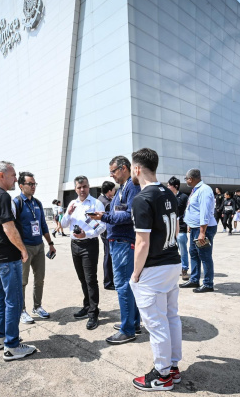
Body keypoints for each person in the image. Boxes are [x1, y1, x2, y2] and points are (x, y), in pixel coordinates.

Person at [129, 147, 182, 391]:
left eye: (132, 167)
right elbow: (176, 229)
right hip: (173, 261)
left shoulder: (142, 198)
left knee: (156, 323)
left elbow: (142, 242)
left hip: (155, 266)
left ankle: (162, 375)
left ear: (137, 168)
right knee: (171, 317)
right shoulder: (169, 193)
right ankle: (172, 366)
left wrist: (136, 273)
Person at [0, 160, 36, 361]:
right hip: (6, 256)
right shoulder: (2, 196)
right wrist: (22, 250)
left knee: (0, 297)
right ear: (1, 175)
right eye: (13, 175)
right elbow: (8, 228)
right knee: (14, 300)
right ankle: (12, 346)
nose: (15, 179)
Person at [90, 156, 141, 345]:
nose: (111, 175)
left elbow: (129, 215)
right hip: (119, 242)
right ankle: (133, 323)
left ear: (124, 168)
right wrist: (106, 215)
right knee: (127, 285)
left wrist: (106, 218)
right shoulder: (124, 188)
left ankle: (127, 329)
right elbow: (119, 212)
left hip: (124, 242)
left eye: (113, 171)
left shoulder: (132, 187)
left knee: (123, 286)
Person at [61, 175, 106, 330]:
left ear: (89, 187)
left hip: (89, 245)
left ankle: (94, 312)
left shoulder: (96, 203)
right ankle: (87, 306)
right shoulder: (72, 203)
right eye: (79, 187)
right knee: (82, 279)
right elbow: (63, 224)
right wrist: (68, 213)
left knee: (90, 279)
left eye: (85, 186)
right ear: (75, 188)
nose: (82, 190)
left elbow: (102, 227)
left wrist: (86, 234)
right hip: (75, 245)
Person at [13, 172, 56, 325]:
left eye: (34, 184)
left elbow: (43, 224)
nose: (33, 187)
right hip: (24, 248)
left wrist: (50, 244)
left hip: (39, 246)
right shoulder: (16, 203)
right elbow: (11, 228)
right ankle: (21, 310)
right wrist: (19, 248)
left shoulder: (37, 203)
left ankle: (37, 307)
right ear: (21, 185)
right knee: (22, 281)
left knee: (39, 279)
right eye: (30, 184)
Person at [180, 168, 217, 293]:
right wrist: (191, 224)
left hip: (204, 229)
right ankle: (194, 279)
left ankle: (208, 283)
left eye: (186, 179)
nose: (186, 181)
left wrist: (202, 232)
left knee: (204, 255)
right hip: (196, 227)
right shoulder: (196, 190)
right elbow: (194, 209)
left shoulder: (204, 190)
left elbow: (205, 212)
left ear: (191, 178)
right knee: (194, 253)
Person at [167, 177, 189, 281]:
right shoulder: (167, 197)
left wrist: (188, 224)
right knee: (171, 249)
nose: (167, 187)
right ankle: (174, 268)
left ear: (175, 186)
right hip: (170, 228)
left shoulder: (184, 197)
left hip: (181, 227)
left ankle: (184, 269)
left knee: (183, 249)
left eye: (169, 185)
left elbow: (187, 211)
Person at [97, 181, 116, 290]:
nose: (114, 191)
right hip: (107, 233)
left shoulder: (101, 199)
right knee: (108, 256)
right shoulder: (106, 203)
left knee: (107, 255)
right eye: (113, 189)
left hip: (104, 232)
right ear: (109, 191)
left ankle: (109, 281)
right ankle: (108, 282)